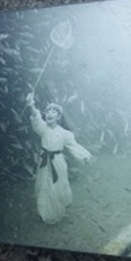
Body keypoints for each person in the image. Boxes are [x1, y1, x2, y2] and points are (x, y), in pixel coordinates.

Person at [25, 93, 92, 224]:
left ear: (59, 117)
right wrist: (31, 104)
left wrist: (84, 156)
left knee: (56, 185)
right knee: (44, 184)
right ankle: (45, 212)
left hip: (58, 162)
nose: (49, 114)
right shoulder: (43, 129)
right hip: (44, 161)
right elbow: (36, 117)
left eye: (53, 112)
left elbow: (74, 146)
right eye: (47, 111)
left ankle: (56, 212)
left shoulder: (64, 133)